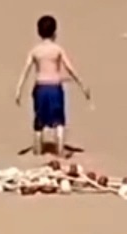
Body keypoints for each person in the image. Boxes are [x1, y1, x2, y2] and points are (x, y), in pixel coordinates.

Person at [14, 15, 90, 159]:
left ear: (38, 32)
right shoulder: (57, 49)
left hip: (40, 87)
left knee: (39, 120)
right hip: (55, 87)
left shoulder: (35, 51)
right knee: (59, 120)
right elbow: (69, 68)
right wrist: (82, 85)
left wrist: (19, 90)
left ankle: (37, 150)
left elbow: (25, 71)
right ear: (55, 32)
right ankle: (60, 149)